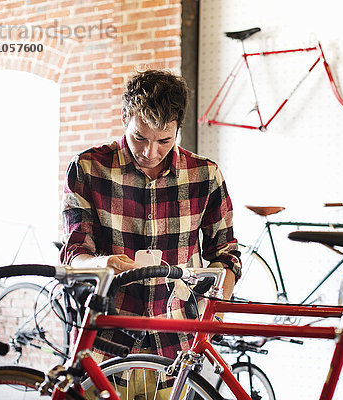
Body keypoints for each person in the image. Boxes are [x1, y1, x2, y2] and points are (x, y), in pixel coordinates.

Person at [60, 69, 241, 367]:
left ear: (178, 129)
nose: (150, 152)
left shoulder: (205, 175)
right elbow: (74, 251)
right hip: (105, 338)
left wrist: (216, 308)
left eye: (164, 140)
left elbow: (226, 253)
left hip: (179, 344)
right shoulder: (88, 168)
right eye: (139, 137)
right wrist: (99, 263)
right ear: (123, 118)